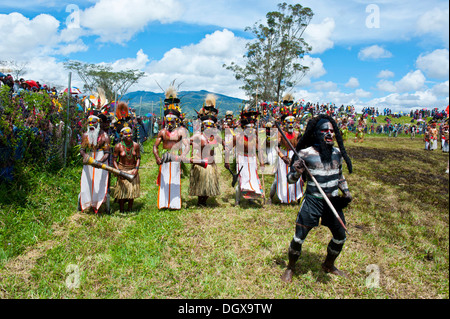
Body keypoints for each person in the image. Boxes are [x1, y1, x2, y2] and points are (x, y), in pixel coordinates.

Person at [281, 114, 353, 283]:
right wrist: (296, 172)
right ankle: (290, 267)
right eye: (324, 131)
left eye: (331, 130)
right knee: (299, 237)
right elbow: (290, 180)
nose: (329, 134)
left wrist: (346, 191)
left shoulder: (337, 153)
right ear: (316, 133)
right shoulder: (304, 154)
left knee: (340, 237)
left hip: (333, 201)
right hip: (312, 200)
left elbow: (340, 176)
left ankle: (328, 265)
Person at [189, 94, 228, 206]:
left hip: (211, 164)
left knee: (208, 186)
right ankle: (200, 200)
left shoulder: (215, 136)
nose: (208, 128)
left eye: (211, 126)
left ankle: (204, 200)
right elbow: (187, 141)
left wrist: (226, 151)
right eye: (206, 126)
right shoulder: (198, 135)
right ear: (203, 126)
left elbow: (224, 143)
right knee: (200, 185)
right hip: (200, 164)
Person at [153, 86, 187, 210]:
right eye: (168, 121)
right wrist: (157, 157)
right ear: (165, 120)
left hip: (176, 157)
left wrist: (183, 155)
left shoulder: (180, 132)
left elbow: (187, 145)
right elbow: (155, 146)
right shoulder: (162, 132)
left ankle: (174, 204)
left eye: (173, 121)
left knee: (175, 179)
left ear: (177, 121)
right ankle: (163, 203)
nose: (170, 123)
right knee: (164, 180)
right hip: (164, 157)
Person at [268, 94, 304, 205]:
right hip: (283, 156)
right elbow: (275, 146)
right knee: (280, 178)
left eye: (292, 122)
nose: (290, 124)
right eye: (288, 122)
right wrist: (282, 157)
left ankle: (297, 198)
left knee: (298, 178)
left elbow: (301, 147)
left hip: (294, 157)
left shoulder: (298, 134)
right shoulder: (280, 133)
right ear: (284, 123)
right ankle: (271, 197)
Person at [79, 115, 111, 213]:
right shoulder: (85, 135)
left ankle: (99, 202)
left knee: (99, 182)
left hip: (100, 160)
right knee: (87, 182)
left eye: (93, 123)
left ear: (98, 124)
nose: (91, 125)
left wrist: (100, 162)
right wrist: (85, 157)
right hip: (88, 160)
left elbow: (107, 153)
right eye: (89, 123)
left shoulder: (104, 136)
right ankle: (87, 202)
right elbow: (82, 149)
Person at [112, 126, 141, 213]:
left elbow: (138, 158)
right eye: (126, 134)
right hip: (122, 170)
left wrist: (136, 169)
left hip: (132, 170)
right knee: (122, 191)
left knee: (132, 191)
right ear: (122, 135)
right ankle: (121, 209)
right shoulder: (118, 146)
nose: (129, 135)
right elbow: (114, 160)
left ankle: (130, 208)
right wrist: (118, 171)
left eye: (130, 133)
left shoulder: (136, 145)